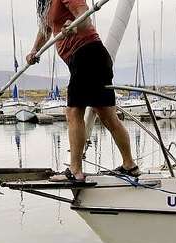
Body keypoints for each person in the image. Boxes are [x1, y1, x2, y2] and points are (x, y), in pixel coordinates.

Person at [27, 0, 138, 183]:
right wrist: (34, 50)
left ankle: (75, 171)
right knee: (107, 115)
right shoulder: (46, 3)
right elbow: (46, 28)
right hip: (87, 58)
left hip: (87, 54)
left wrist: (75, 24)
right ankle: (130, 165)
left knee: (73, 112)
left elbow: (84, 14)